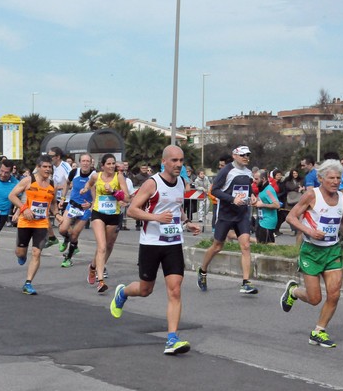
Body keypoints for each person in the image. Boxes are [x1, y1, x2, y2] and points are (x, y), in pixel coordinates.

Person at [110, 145, 201, 355]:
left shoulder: (181, 183)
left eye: (181, 160)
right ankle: (122, 292)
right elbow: (132, 210)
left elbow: (176, 207)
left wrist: (187, 223)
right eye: (174, 161)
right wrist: (156, 218)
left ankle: (172, 339)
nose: (179, 165)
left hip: (173, 243)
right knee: (145, 289)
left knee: (175, 289)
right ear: (164, 162)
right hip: (151, 243)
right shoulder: (153, 184)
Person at [282, 159, 343, 348]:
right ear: (321, 178)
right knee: (315, 299)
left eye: (338, 178)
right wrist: (310, 231)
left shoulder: (341, 197)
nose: (335, 181)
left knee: (335, 294)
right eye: (331, 177)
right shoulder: (311, 195)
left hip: (332, 251)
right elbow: (291, 217)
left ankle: (319, 331)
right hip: (312, 251)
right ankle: (294, 291)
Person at [197, 146, 258, 294]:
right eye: (243, 155)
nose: (246, 157)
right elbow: (215, 190)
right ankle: (203, 270)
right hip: (226, 214)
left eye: (248, 155)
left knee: (245, 245)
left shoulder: (248, 172)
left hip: (242, 214)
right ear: (235, 156)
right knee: (217, 246)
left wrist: (252, 197)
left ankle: (245, 282)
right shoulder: (226, 171)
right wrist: (232, 199)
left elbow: (247, 188)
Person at [8, 155, 61, 295]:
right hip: (25, 221)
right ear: (38, 167)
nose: (48, 169)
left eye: (50, 167)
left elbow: (53, 203)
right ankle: (21, 255)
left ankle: (28, 283)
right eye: (45, 167)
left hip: (41, 223)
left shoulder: (52, 185)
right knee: (20, 252)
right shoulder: (28, 180)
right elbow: (12, 196)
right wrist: (24, 209)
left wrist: (57, 214)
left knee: (37, 252)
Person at [80, 153, 131, 292]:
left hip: (114, 214)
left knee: (108, 245)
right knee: (101, 246)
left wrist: (114, 191)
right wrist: (85, 189)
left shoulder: (118, 177)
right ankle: (100, 280)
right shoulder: (96, 176)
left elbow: (126, 198)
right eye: (108, 164)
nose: (111, 166)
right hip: (98, 213)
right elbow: (89, 183)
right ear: (102, 166)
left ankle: (92, 266)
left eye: (113, 163)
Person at [57, 153, 95, 268]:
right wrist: (63, 198)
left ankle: (68, 258)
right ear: (80, 162)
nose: (85, 163)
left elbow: (97, 195)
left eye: (87, 161)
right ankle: (67, 239)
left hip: (85, 209)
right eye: (83, 161)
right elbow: (67, 184)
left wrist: (91, 205)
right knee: (62, 229)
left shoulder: (94, 175)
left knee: (75, 235)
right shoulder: (74, 172)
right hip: (72, 205)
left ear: (91, 162)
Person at [45, 147, 72, 248]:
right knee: (43, 214)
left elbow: (71, 183)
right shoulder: (52, 167)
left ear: (58, 157)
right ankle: (52, 238)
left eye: (51, 156)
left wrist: (56, 188)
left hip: (66, 199)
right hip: (55, 197)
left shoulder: (65, 166)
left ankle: (72, 241)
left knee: (64, 226)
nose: (49, 158)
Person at [253, 169, 280, 244]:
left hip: (268, 222)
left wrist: (262, 205)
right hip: (262, 220)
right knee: (260, 243)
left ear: (263, 179)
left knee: (267, 244)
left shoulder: (268, 190)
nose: (254, 181)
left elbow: (277, 205)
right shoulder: (262, 189)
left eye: (256, 179)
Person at [284, 169, 304, 235]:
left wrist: (301, 189)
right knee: (290, 215)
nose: (295, 174)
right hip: (290, 200)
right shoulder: (288, 181)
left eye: (296, 173)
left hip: (298, 199)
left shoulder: (301, 180)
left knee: (299, 215)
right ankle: (293, 229)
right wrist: (298, 189)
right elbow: (290, 187)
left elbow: (303, 187)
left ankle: (298, 229)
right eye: (294, 173)